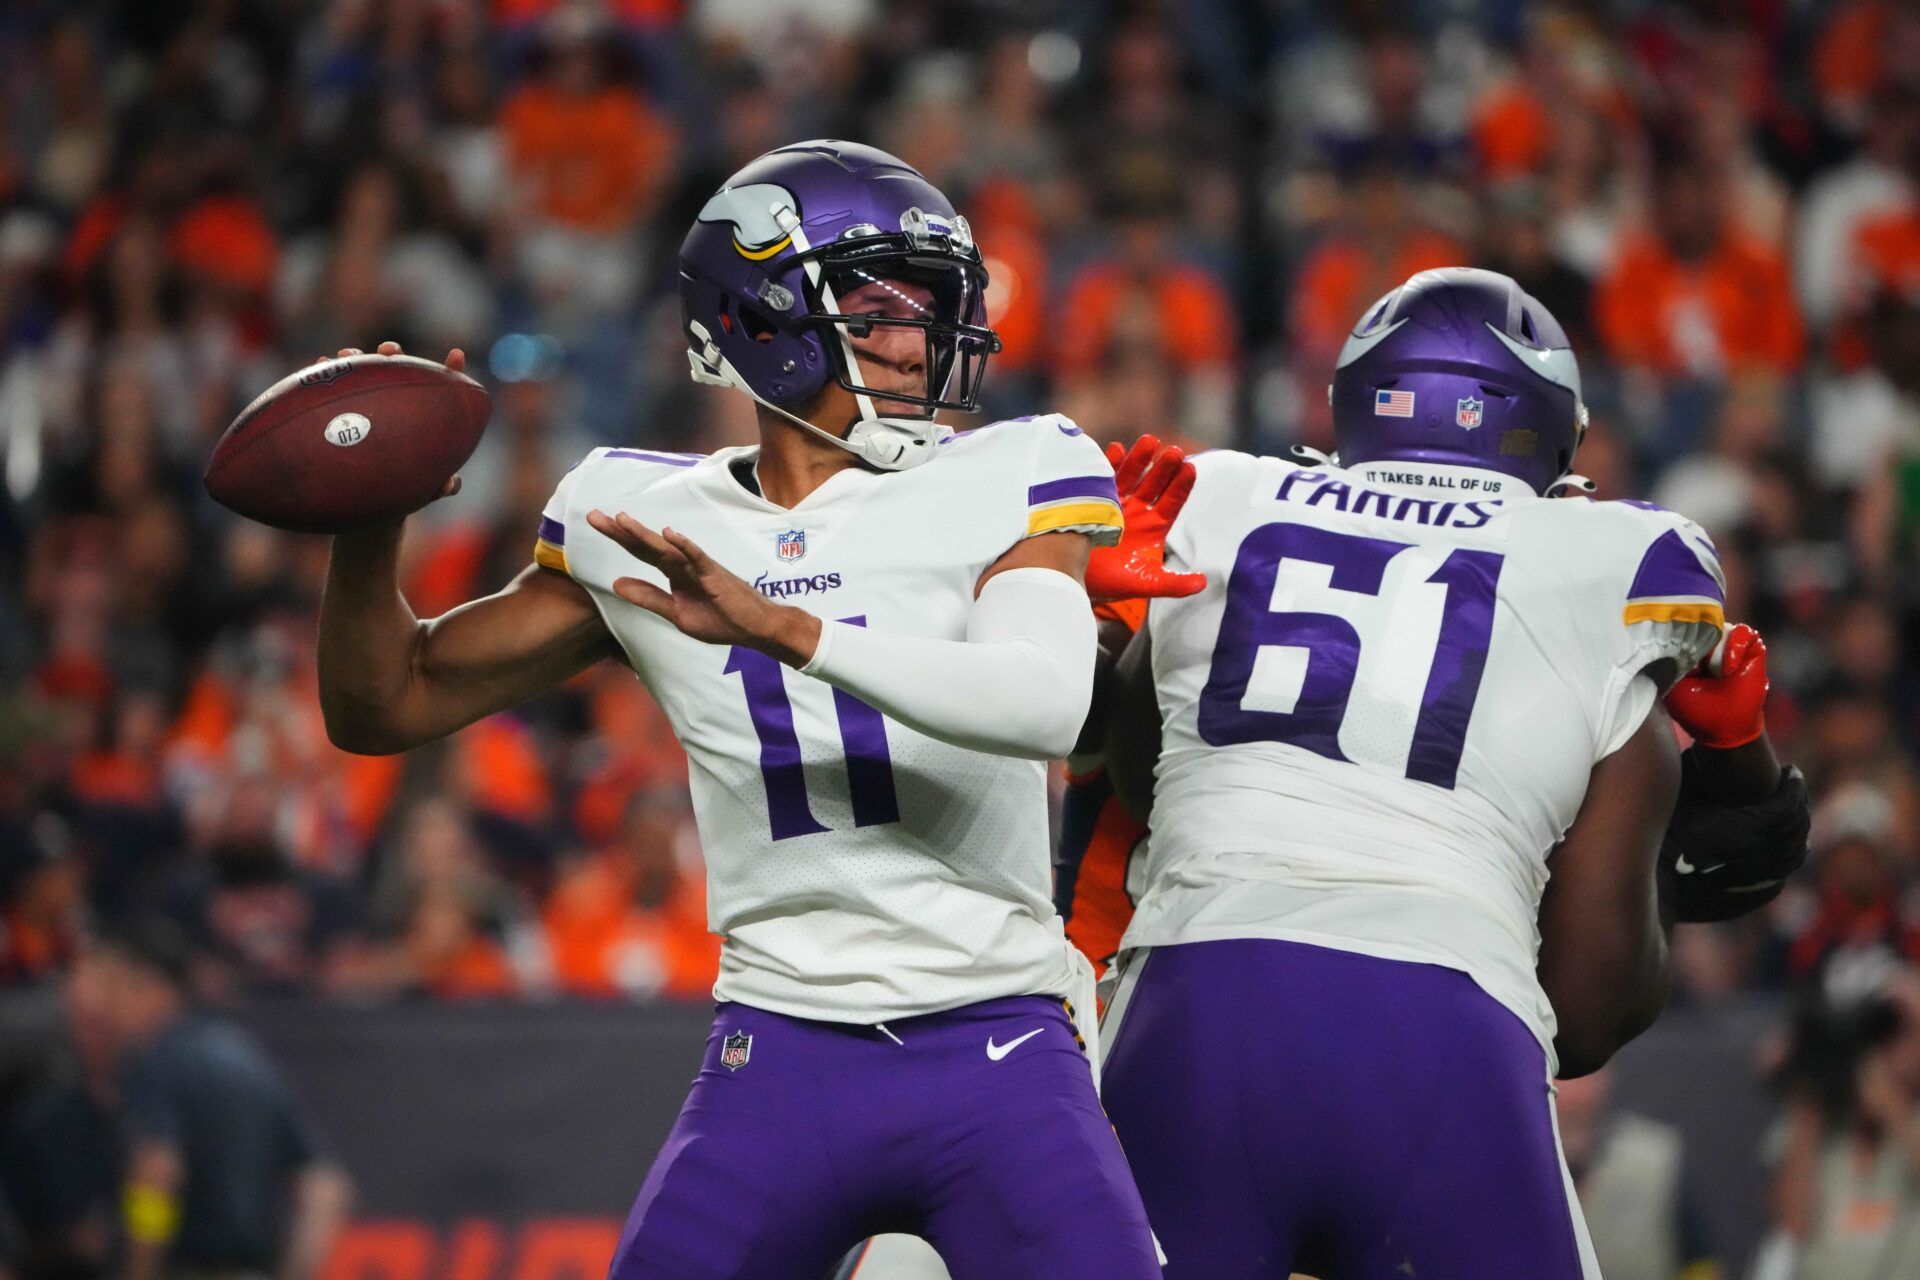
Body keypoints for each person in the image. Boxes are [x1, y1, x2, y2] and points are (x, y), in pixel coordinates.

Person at [313, 141, 1179, 1279]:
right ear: (765, 318)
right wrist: (369, 520)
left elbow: (1042, 696)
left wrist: (788, 627)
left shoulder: (1010, 470)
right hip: (776, 1046)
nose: (924, 339)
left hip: (997, 1035)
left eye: (933, 307)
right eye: (881, 307)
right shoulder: (642, 518)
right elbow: (386, 701)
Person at [1093, 267, 1811, 1279]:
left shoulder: (1222, 495)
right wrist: (1717, 781)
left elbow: (1134, 777)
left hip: (1196, 1007)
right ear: (1551, 430)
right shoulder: (1611, 557)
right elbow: (1592, 1004)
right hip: (1444, 1034)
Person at [70, 920, 350, 1280]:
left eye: (117, 992)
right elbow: (324, 1188)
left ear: (150, 988)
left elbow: (156, 1170)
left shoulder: (153, 1060)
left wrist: (140, 1267)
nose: (107, 1014)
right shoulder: (246, 1059)